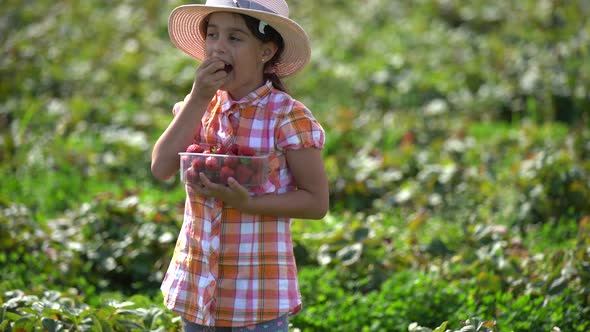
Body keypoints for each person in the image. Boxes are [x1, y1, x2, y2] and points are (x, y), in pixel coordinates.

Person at [150, 0, 329, 331]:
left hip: (257, 293)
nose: (218, 47)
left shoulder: (287, 116)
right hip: (198, 285)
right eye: (213, 35)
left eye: (235, 38)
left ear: (265, 52)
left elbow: (316, 202)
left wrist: (250, 203)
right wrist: (199, 97)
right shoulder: (199, 107)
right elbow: (161, 167)